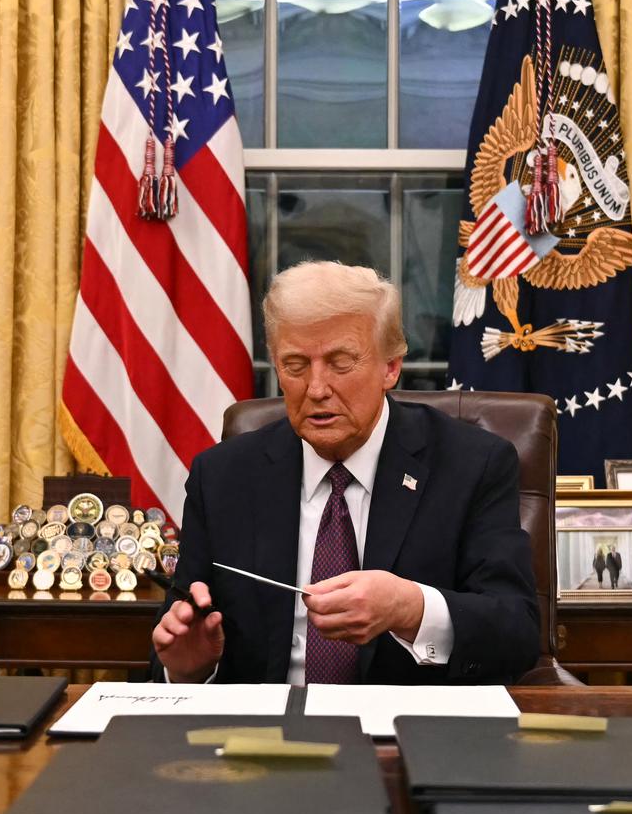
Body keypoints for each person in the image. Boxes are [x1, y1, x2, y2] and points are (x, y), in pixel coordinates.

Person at [151, 260, 538, 685]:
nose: (316, 389)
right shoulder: (223, 477)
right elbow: (180, 638)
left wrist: (411, 608)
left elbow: (516, 633)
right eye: (296, 365)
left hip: (408, 733)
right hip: (265, 734)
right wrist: (189, 667)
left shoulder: (471, 465)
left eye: (340, 362)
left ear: (390, 367)